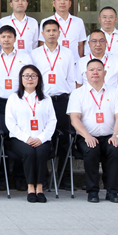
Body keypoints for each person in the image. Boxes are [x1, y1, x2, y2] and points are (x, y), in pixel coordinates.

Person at [67, 59, 118, 203]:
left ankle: (112, 191)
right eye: (91, 70)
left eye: (99, 70)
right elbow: (74, 119)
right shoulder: (77, 93)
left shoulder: (114, 93)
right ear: (86, 73)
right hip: (86, 136)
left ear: (105, 73)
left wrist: (116, 135)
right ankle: (92, 191)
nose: (95, 72)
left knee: (116, 150)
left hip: (109, 136)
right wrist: (87, 136)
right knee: (91, 150)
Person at [5, 64, 57, 203]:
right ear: (21, 79)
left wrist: (41, 138)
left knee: (40, 152)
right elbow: (10, 122)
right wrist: (26, 138)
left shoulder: (46, 99)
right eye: (26, 76)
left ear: (38, 79)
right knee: (29, 152)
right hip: (20, 139)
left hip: (42, 139)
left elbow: (52, 121)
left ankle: (39, 188)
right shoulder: (14, 98)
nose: (30, 79)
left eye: (34, 76)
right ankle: (30, 188)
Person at [0, 25, 33, 188]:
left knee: (21, 137)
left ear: (15, 39)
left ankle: (20, 177)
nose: (6, 40)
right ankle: (2, 177)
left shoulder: (25, 58)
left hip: (21, 102)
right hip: (0, 102)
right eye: (3, 37)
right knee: (0, 139)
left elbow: (31, 81)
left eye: (9, 36)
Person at [32, 19, 76, 182]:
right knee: (42, 138)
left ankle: (64, 177)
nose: (51, 34)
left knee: (64, 139)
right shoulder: (34, 54)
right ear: (42, 34)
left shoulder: (67, 53)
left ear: (59, 33)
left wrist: (72, 101)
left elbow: (71, 79)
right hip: (42, 101)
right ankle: (42, 177)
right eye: (48, 31)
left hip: (62, 100)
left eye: (54, 30)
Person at [78, 29, 118, 103]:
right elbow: (78, 86)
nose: (98, 44)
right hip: (88, 103)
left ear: (106, 42)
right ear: (89, 44)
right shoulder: (81, 62)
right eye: (94, 41)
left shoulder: (116, 61)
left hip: (112, 102)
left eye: (101, 41)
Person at [39, 0, 87, 66]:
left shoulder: (78, 21)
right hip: (54, 63)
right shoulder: (46, 21)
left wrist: (79, 62)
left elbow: (80, 45)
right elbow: (42, 44)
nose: (62, 2)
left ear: (70, 3)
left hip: (74, 63)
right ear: (54, 3)